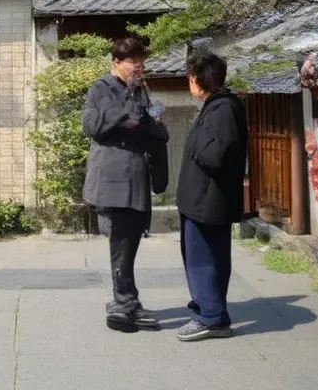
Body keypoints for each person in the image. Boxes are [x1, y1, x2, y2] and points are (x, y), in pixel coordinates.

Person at [82, 35, 169, 333]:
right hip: (112, 178)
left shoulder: (141, 91)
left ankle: (126, 301)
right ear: (116, 62)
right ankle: (124, 302)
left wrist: (153, 123)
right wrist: (123, 113)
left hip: (136, 177)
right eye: (133, 62)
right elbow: (90, 126)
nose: (139, 67)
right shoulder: (100, 89)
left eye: (142, 62)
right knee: (121, 241)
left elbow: (148, 126)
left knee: (130, 241)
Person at [176, 48, 248, 342]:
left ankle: (210, 316)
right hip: (203, 201)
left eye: (189, 77)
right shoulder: (216, 106)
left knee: (204, 260)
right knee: (208, 258)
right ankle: (214, 313)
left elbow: (215, 155)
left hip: (208, 201)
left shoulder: (222, 109)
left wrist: (196, 136)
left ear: (196, 78)